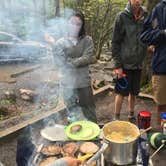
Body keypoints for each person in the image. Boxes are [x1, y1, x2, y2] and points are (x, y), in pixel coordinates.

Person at [50, 11, 97, 123]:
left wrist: (70, 61)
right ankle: (73, 137)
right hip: (67, 84)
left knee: (89, 111)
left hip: (84, 82)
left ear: (82, 26)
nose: (75, 26)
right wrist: (78, 61)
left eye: (78, 24)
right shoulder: (60, 43)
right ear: (67, 23)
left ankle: (94, 136)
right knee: (71, 113)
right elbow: (59, 63)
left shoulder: (87, 40)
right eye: (72, 23)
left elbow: (88, 58)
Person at [111, 0, 147, 121]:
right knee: (121, 92)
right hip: (124, 63)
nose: (138, 1)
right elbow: (115, 42)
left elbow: (147, 35)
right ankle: (116, 117)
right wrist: (118, 65)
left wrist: (150, 46)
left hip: (138, 63)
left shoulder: (145, 15)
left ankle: (131, 114)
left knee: (134, 92)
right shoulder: (122, 17)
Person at [140, 0, 166, 125]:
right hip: (162, 67)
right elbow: (145, 35)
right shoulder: (159, 9)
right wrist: (163, 33)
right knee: (162, 105)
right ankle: (163, 134)